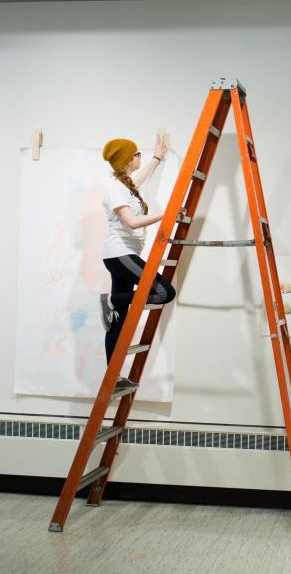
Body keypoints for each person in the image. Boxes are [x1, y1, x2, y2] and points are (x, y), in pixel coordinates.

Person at [100, 134, 176, 391]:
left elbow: (139, 179)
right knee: (165, 292)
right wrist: (166, 216)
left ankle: (113, 380)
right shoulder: (114, 187)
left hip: (124, 253)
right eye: (136, 155)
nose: (138, 157)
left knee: (119, 321)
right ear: (126, 159)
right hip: (120, 254)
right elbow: (130, 222)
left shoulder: (124, 184)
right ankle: (110, 301)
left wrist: (156, 158)